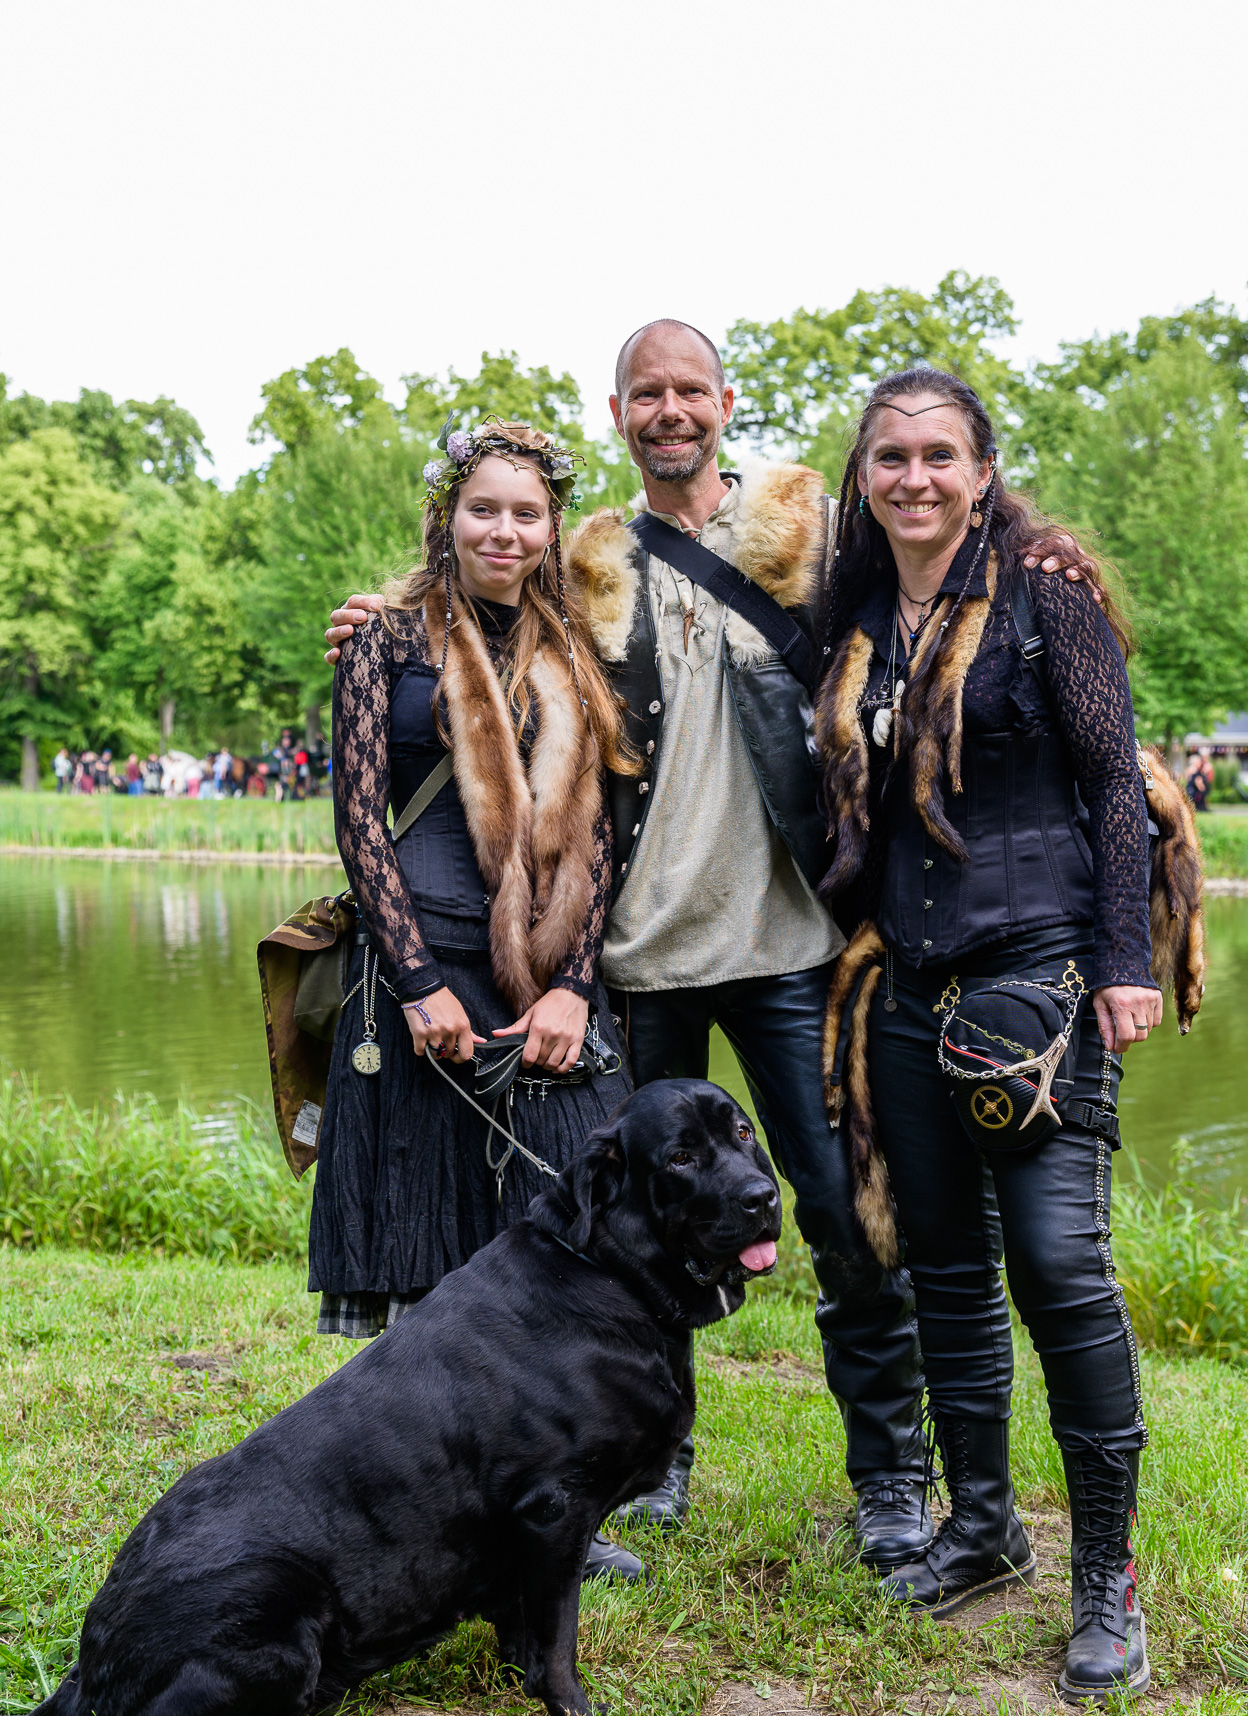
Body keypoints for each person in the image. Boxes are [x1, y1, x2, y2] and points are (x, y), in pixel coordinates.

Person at [325, 320, 1097, 1578]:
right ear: (618, 413)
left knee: (846, 1215)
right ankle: (654, 1457)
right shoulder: (583, 564)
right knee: (630, 1230)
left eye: (690, 389)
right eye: (647, 393)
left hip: (791, 941)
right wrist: (382, 615)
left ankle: (888, 1476)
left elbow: (937, 549)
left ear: (723, 403)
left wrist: (1038, 550)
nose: (669, 410)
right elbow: (477, 610)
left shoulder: (813, 534)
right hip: (633, 955)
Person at [813, 366, 1194, 1700]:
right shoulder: (860, 611)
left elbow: (1112, 786)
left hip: (1039, 981)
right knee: (945, 1270)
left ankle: (1106, 1583)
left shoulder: (1044, 594)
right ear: (864, 476)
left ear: (981, 471)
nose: (913, 477)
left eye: (939, 455)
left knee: (1056, 1264)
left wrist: (1123, 965)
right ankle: (980, 1529)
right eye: (890, 457)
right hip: (909, 985)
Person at [311, 417, 639, 1582]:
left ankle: (553, 1511)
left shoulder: (579, 649)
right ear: (446, 515)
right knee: (428, 1262)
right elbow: (360, 823)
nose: (503, 530)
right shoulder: (384, 640)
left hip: (539, 978)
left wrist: (573, 990)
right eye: (482, 508)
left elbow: (598, 835)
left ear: (552, 527)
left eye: (525, 512)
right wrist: (412, 982)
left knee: (561, 1249)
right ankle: (425, 1514)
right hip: (415, 971)